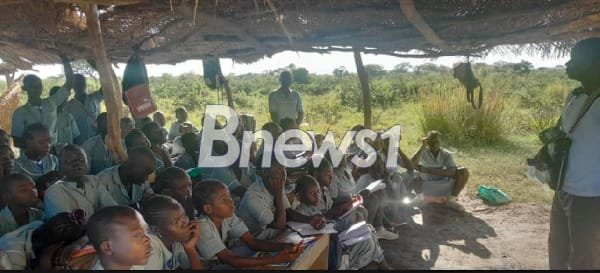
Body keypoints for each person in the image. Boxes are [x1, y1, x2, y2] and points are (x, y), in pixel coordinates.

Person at [548, 38, 600, 270]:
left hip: (590, 194)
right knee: (558, 248)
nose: (568, 63)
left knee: (584, 256)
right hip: (563, 187)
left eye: (576, 58)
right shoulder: (576, 96)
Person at [193, 179, 302, 269]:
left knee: (254, 253)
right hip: (209, 266)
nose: (231, 202)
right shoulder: (202, 227)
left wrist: (284, 247)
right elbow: (231, 260)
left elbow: (252, 242)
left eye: (230, 197)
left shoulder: (227, 216)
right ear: (208, 208)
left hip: (224, 259)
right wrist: (275, 259)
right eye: (224, 200)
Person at [292, 175, 391, 270]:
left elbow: (329, 214)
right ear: (300, 196)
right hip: (329, 245)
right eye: (312, 193)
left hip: (336, 237)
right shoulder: (302, 212)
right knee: (366, 241)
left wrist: (345, 209)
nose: (317, 196)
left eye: (318, 192)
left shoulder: (319, 202)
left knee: (368, 230)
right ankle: (354, 265)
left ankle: (381, 264)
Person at [43, 145, 117, 222]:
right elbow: (69, 225)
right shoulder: (54, 192)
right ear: (60, 167)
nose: (76, 164)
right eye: (68, 162)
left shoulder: (94, 180)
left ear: (87, 163)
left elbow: (112, 208)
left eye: (81, 160)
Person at [0, 210, 85, 270]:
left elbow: (87, 233)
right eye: (55, 259)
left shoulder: (40, 226)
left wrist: (76, 245)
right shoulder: (14, 255)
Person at [139, 195, 203, 270]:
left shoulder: (175, 240)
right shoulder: (150, 248)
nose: (185, 223)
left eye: (184, 216)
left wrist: (190, 248)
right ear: (156, 230)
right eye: (176, 222)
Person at [410, 130, 467, 212]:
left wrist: (427, 170)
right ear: (427, 142)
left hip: (443, 185)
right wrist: (422, 147)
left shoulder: (446, 154)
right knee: (411, 173)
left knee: (463, 171)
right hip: (426, 186)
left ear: (441, 142)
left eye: (437, 141)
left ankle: (451, 201)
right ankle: (421, 199)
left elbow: (452, 172)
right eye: (431, 141)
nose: (434, 144)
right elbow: (411, 165)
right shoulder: (423, 151)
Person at [237, 154, 290, 240]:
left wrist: (310, 219)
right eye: (278, 171)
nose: (283, 175)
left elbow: (288, 211)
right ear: (265, 173)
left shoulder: (276, 183)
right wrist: (278, 193)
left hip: (265, 233)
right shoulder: (253, 196)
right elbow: (279, 225)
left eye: (284, 169)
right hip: (250, 240)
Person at [11, 74, 72, 148]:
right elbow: (16, 140)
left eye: (39, 85)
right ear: (24, 88)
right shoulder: (20, 113)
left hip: (53, 151)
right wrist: (34, 148)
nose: (36, 88)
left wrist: (65, 62)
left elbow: (69, 83)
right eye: (32, 86)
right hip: (32, 154)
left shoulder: (52, 102)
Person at [86, 206, 152, 270]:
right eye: (137, 236)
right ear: (108, 247)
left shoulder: (132, 264)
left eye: (146, 232)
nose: (148, 239)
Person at [354, 152, 399, 240]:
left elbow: (395, 199)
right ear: (372, 167)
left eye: (382, 163)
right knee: (378, 195)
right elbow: (392, 198)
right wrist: (386, 178)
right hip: (362, 215)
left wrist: (386, 178)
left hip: (370, 213)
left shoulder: (375, 178)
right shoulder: (367, 179)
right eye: (380, 164)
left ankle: (380, 227)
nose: (382, 166)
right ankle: (377, 228)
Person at [65, 74, 104, 145]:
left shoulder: (95, 97)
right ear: (72, 86)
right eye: (77, 84)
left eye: (82, 83)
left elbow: (106, 87)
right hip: (79, 143)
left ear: (85, 84)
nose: (79, 86)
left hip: (96, 142)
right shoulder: (68, 106)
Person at [49, 86, 80, 153]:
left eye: (65, 99)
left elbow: (76, 138)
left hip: (67, 156)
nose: (65, 101)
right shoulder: (43, 116)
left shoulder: (68, 117)